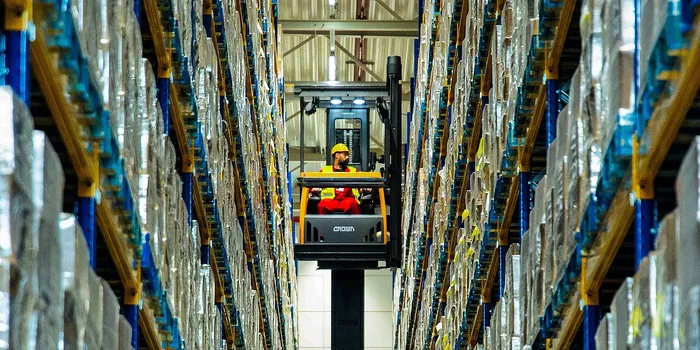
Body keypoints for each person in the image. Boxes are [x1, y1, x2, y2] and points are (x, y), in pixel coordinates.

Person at [313, 143, 362, 214]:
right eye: (345, 155)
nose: (347, 157)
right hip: (330, 200)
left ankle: (356, 225)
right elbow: (313, 183)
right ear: (337, 155)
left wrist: (365, 188)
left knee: (354, 204)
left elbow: (362, 184)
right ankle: (322, 225)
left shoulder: (353, 171)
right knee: (322, 205)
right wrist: (312, 190)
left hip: (348, 200)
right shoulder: (325, 171)